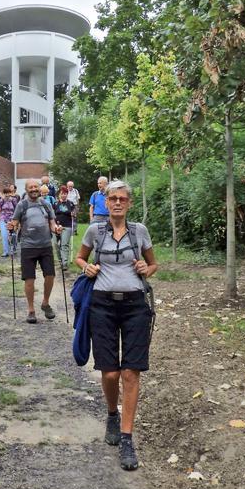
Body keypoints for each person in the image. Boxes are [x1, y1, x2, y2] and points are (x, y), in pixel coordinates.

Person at [74, 180, 158, 471]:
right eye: (113, 198)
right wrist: (86, 267)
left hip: (135, 306)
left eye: (123, 198)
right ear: (106, 202)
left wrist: (147, 269)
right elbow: (80, 256)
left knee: (130, 373)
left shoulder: (140, 231)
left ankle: (126, 438)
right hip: (102, 305)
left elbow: (153, 264)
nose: (118, 202)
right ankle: (112, 413)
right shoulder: (94, 230)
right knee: (110, 373)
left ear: (129, 203)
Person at [7, 179, 62, 324]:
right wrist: (11, 226)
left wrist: (56, 229)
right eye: (30, 187)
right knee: (29, 279)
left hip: (45, 245)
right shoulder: (22, 204)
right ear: (26, 189)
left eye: (35, 187)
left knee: (50, 276)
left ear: (39, 188)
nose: (33, 189)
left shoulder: (46, 204)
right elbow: (15, 222)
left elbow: (51, 222)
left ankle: (45, 303)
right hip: (28, 246)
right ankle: (31, 310)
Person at [54, 186, 75, 265]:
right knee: (56, 244)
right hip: (56, 226)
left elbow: (74, 213)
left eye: (65, 194)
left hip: (67, 226)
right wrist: (55, 225)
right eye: (62, 194)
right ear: (59, 194)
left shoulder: (71, 203)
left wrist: (73, 214)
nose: (63, 195)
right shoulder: (55, 204)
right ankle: (60, 259)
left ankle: (64, 263)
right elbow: (52, 215)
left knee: (64, 244)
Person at [0, 184, 20, 258]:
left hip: (12, 219)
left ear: (11, 193)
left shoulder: (14, 200)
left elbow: (17, 209)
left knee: (13, 235)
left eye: (8, 193)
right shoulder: (1, 200)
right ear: (3, 194)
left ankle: (14, 247)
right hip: (3, 219)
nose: (7, 195)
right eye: (5, 193)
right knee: (4, 235)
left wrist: (17, 220)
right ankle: (6, 251)